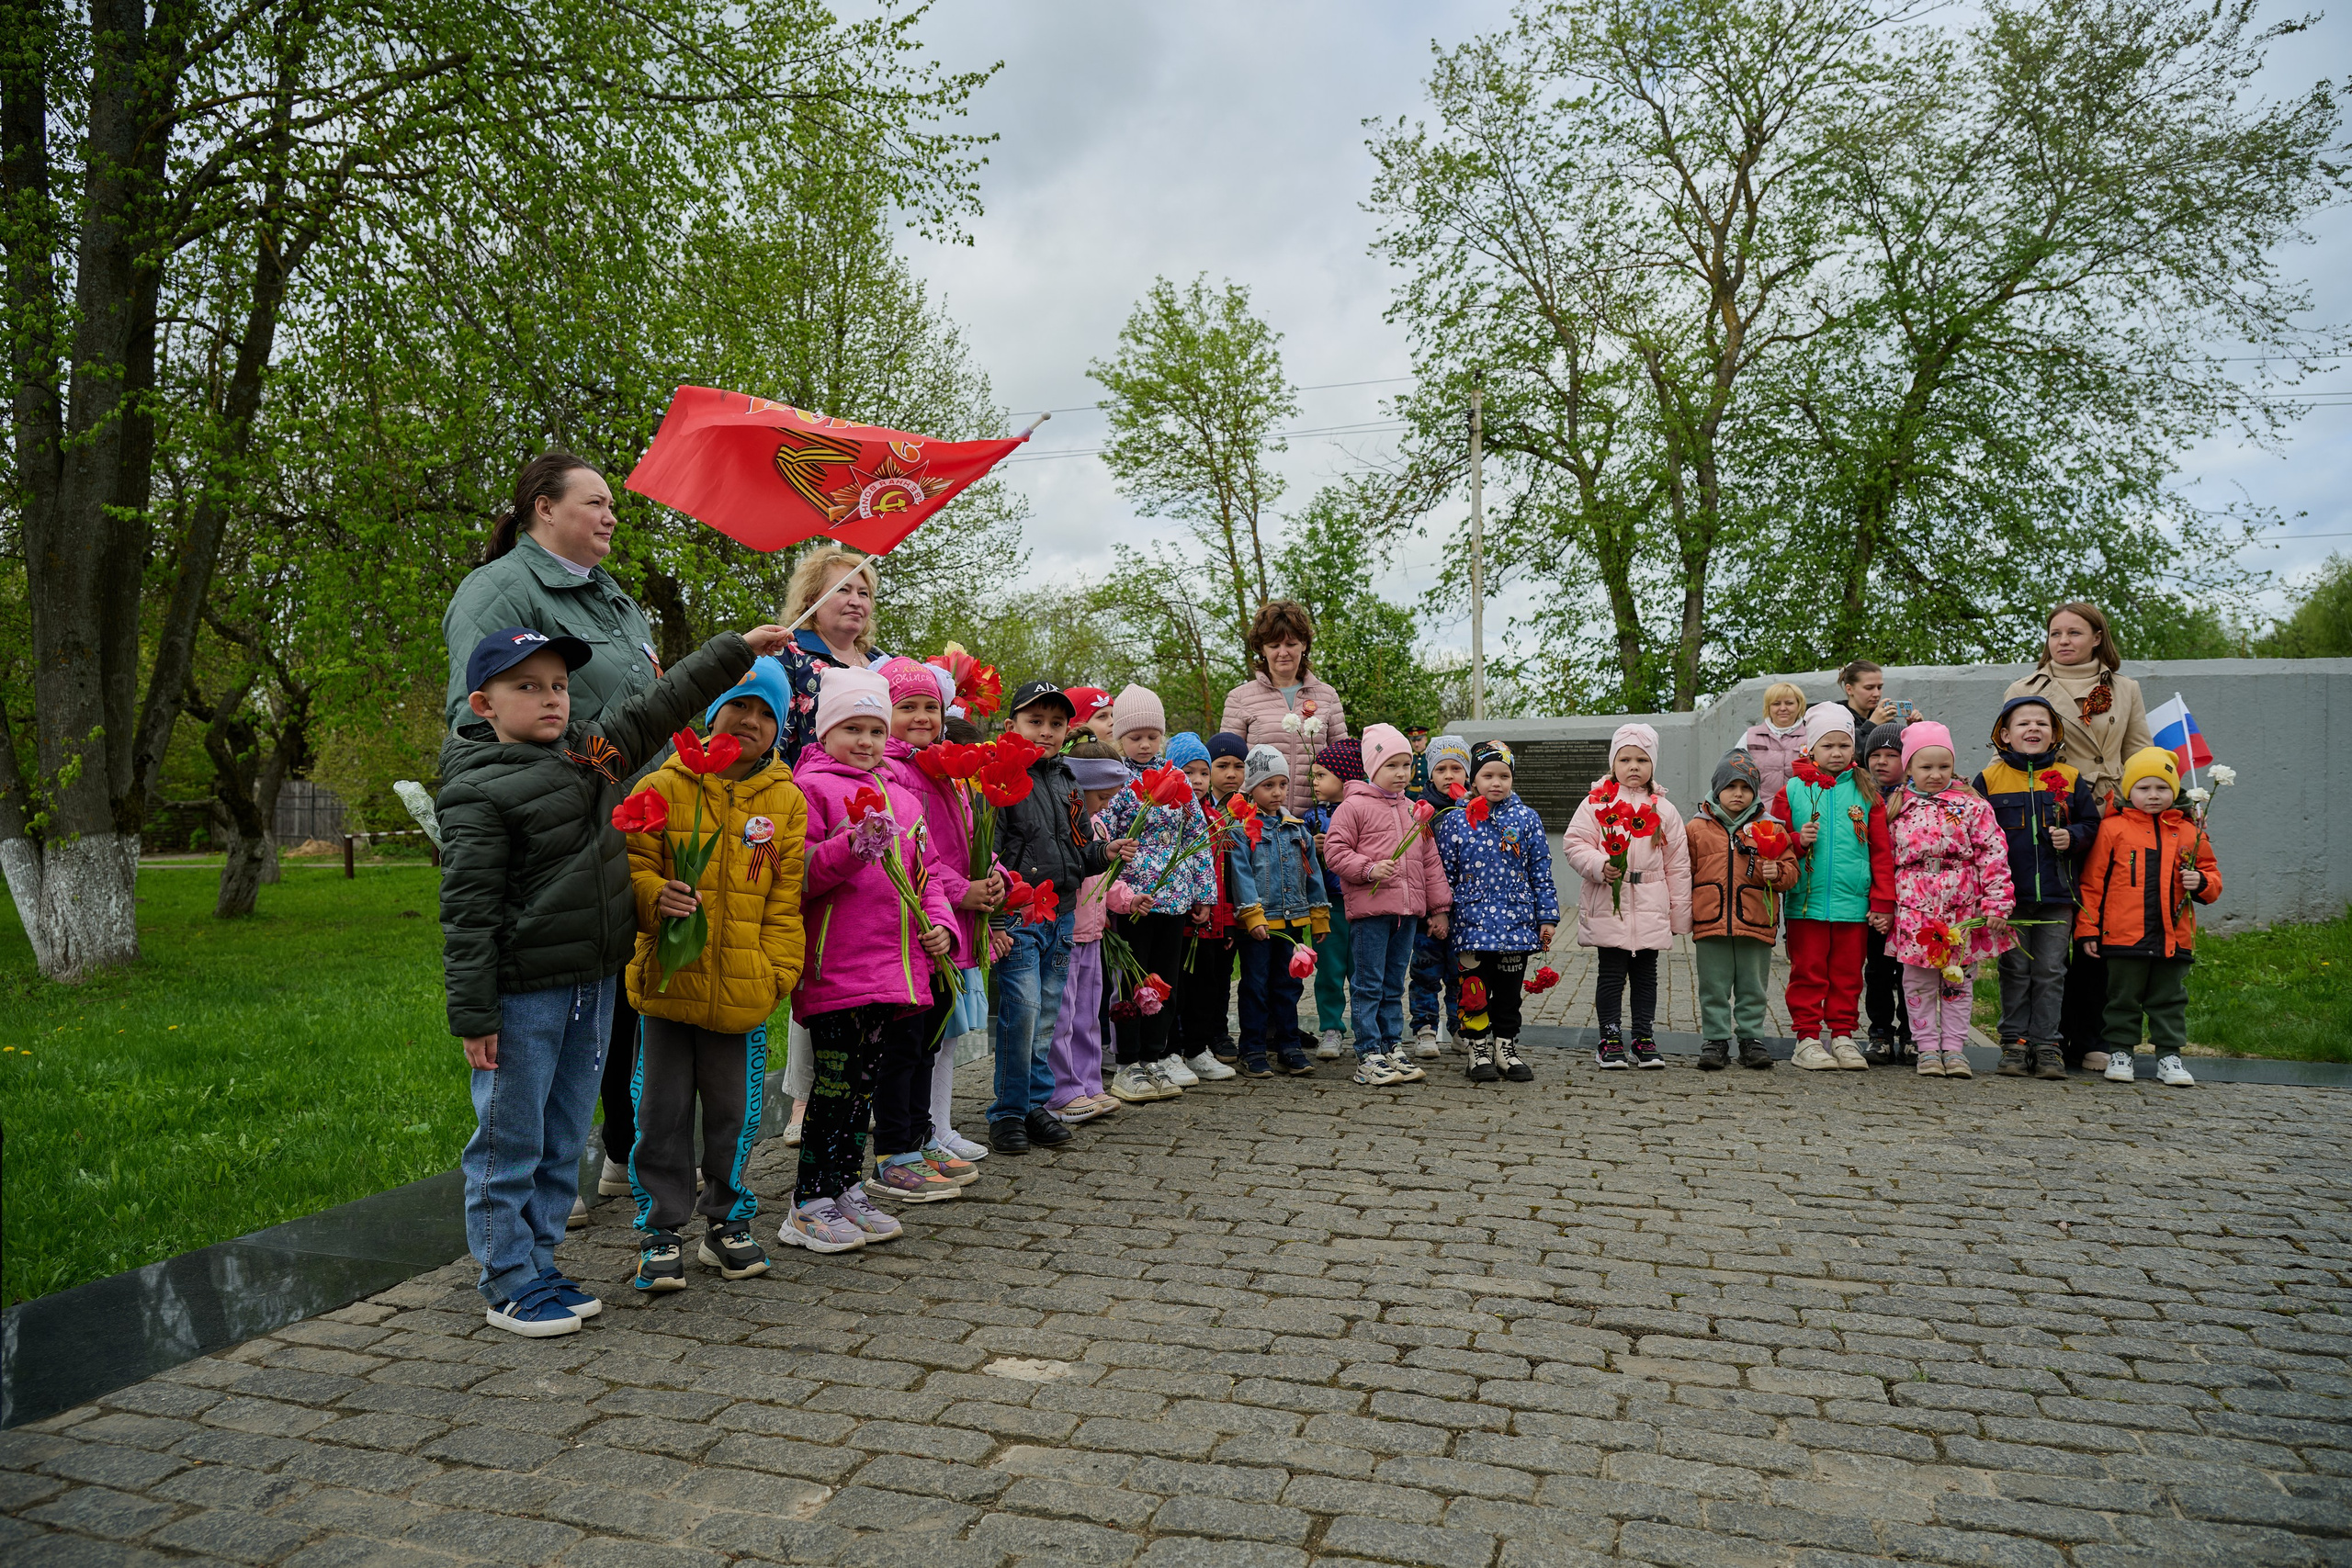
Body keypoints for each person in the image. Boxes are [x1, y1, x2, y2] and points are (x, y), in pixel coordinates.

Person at [439, 619, 783, 1336]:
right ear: (484, 705)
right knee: (511, 1138)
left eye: (559, 685)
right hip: (523, 995)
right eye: (528, 687)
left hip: (592, 984)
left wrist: (738, 650)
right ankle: (506, 1278)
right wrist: (474, 1015)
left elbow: (660, 704)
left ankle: (539, 1261)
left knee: (565, 1133)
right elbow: (467, 912)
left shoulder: (589, 752)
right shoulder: (476, 789)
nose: (551, 698)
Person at [440, 456, 664, 1227]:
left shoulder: (613, 597)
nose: (610, 516)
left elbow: (644, 707)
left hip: (630, 824)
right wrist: (559, 793)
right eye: (594, 502)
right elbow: (477, 723)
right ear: (543, 507)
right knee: (544, 1029)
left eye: (613, 505)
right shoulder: (498, 589)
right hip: (557, 836)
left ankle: (621, 1150)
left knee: (617, 1003)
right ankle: (531, 1197)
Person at [619, 659, 807, 1292]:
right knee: (661, 1112)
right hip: (669, 985)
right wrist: (654, 896)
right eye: (739, 705)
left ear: (779, 728)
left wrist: (777, 973)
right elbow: (633, 868)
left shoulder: (785, 801)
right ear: (711, 712)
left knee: (734, 1114)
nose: (750, 721)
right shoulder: (665, 785)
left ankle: (726, 1219)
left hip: (742, 992)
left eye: (765, 713)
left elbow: (784, 900)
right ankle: (661, 1226)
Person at [784, 667, 959, 1254]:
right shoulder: (810, 789)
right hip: (837, 967)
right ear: (825, 732)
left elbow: (928, 874)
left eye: (875, 730)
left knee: (861, 1089)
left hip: (892, 969)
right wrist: (850, 848)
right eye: (851, 728)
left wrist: (940, 925)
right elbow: (801, 874)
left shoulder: (905, 799)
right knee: (833, 1086)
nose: (865, 741)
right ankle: (807, 1201)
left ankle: (845, 1187)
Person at [771, 547, 895, 1155]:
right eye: (841, 588)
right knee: (816, 954)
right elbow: (781, 740)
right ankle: (804, 1098)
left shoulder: (883, 665)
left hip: (878, 816)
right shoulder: (791, 658)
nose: (854, 600)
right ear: (811, 599)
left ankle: (857, 1093)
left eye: (863, 591)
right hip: (812, 810)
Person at [2005, 601, 2153, 1070]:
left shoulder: (2124, 689)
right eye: (2055, 633)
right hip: (2046, 819)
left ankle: (2088, 1035)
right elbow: (2004, 752)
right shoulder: (2025, 688)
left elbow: (2140, 754)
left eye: (2074, 632)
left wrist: (2154, 800)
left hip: (2106, 815)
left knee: (2097, 924)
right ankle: (2035, 1036)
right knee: (2045, 927)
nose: (2063, 641)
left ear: (2097, 637)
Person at [875, 659, 989, 1196]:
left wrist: (993, 875)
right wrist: (962, 890)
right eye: (908, 707)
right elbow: (918, 853)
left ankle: (920, 1136)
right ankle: (896, 1148)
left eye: (930, 707)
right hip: (915, 929)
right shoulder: (892, 771)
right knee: (906, 1043)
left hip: (946, 924)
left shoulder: (941, 768)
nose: (922, 716)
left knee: (930, 1039)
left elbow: (961, 840)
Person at [984, 680, 1106, 1152]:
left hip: (1062, 913)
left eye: (1056, 723)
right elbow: (987, 854)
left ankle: (1036, 1103)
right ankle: (1007, 1112)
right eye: (1035, 721)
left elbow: (1080, 851)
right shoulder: (999, 776)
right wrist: (996, 919)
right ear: (1010, 725)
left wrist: (1105, 852)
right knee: (1022, 1013)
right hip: (1018, 916)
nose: (1046, 731)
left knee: (1047, 1017)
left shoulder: (1066, 779)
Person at [2075, 748, 2218, 1088]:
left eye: (2162, 787)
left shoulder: (2189, 832)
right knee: (2121, 998)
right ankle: (2120, 1051)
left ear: (2175, 790)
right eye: (2143, 788)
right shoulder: (2113, 829)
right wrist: (2088, 929)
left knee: (2169, 998)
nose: (2153, 795)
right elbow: (2092, 883)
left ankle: (2169, 1055)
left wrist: (2201, 882)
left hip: (2173, 936)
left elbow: (2212, 877)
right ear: (2129, 791)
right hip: (2123, 936)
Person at [1974, 695, 2099, 1079]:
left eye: (2042, 723)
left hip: (2058, 896)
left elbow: (2091, 826)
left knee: (2051, 970)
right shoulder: (1989, 780)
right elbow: (1976, 834)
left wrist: (2073, 836)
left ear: (2054, 733)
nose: (2033, 729)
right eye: (2023, 723)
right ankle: (2014, 1042)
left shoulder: (2071, 778)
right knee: (2014, 968)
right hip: (2010, 898)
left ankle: (2047, 1044)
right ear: (2005, 735)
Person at [1102, 685, 1216, 1102]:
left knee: (1164, 981)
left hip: (1176, 895)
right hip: (1132, 899)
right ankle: (1127, 1061)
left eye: (1153, 736)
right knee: (1133, 981)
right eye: (1135, 737)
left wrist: (1204, 893)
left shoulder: (1177, 778)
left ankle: (1155, 1055)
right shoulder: (1117, 780)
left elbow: (1197, 837)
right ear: (1121, 738)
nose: (1145, 744)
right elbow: (1104, 833)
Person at [1322, 724, 1453, 1087]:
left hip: (1406, 913)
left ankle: (1391, 1045)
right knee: (1368, 984)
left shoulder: (1415, 810)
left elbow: (1430, 863)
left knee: (1394, 984)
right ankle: (1368, 1053)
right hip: (1371, 912)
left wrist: (1439, 908)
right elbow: (1335, 851)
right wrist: (1368, 869)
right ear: (1371, 767)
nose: (1401, 773)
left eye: (1406, 765)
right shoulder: (1353, 806)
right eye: (1391, 765)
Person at [1884, 723, 2013, 1079]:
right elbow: (1884, 859)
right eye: (1925, 767)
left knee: (1958, 980)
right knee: (1917, 982)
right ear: (1909, 767)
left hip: (1961, 908)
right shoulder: (1898, 807)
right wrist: (1883, 905)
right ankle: (1926, 1047)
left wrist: (1997, 903)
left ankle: (1954, 1048)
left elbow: (1993, 853)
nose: (1936, 774)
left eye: (1944, 766)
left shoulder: (1972, 805)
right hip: (1915, 910)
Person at [1770, 705, 1894, 1072]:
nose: (1837, 753)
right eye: (1828, 746)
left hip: (1853, 903)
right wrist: (1797, 840)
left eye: (1844, 745)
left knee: (1848, 974)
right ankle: (1807, 1039)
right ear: (1811, 748)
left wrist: (1882, 900)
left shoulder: (1867, 792)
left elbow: (1881, 851)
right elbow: (1775, 844)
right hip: (1806, 902)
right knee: (1807, 972)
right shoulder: (1792, 790)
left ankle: (1842, 1035)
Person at [1564, 723, 1690, 1070]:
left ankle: (1643, 1038)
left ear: (1653, 764)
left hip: (1651, 904)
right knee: (1611, 975)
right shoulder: (1596, 803)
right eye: (1625, 760)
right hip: (1610, 902)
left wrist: (1679, 914)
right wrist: (1599, 865)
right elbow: (1575, 844)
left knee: (1646, 977)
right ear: (1613, 763)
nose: (1634, 766)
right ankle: (1609, 1038)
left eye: (1642, 760)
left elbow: (1678, 865)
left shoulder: (1665, 810)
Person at [1433, 740, 1559, 1085]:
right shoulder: (1456, 820)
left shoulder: (1527, 818)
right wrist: (1441, 912)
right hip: (1471, 925)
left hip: (1516, 925)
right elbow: (1443, 874)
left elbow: (1540, 870)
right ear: (1473, 779)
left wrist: (1547, 918)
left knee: (1508, 993)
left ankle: (1505, 1047)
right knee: (1473, 991)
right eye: (1487, 775)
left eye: (1504, 776)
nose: (1496, 782)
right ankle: (1477, 1049)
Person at [1685, 750, 1787, 1072]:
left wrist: (1777, 873)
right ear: (1717, 789)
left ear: (1755, 792)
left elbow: (1791, 872)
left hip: (1755, 921)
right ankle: (1715, 1040)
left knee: (1752, 987)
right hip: (1710, 921)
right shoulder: (1696, 829)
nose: (1738, 794)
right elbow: (1684, 872)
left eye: (1746, 787)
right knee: (1713, 987)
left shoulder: (1771, 827)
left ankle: (1751, 1039)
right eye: (1731, 786)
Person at [1046, 743, 1132, 1121]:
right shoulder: (1064, 824)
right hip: (1067, 932)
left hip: (1093, 935)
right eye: (1101, 796)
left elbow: (1106, 879)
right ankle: (1062, 1092)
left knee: (1087, 1016)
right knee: (1062, 1018)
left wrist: (1128, 900)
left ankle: (1089, 1084)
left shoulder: (1097, 824)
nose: (1105, 805)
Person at [1234, 745, 1328, 1077]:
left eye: (1282, 784)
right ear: (1251, 788)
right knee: (1255, 986)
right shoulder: (1242, 828)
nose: (1277, 792)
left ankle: (1289, 1045)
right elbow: (1241, 874)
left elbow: (1313, 873)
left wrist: (1319, 916)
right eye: (1268, 785)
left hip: (1292, 922)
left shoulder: (1297, 829)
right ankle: (1252, 1048)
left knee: (1288, 986)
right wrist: (1252, 915)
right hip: (1259, 924)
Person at [1219, 599, 1349, 814]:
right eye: (1274, 646)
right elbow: (1227, 766)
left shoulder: (1328, 696)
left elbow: (1344, 765)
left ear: (1304, 644)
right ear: (1262, 649)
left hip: (1315, 821)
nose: (1283, 652)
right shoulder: (1239, 698)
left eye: (1291, 644)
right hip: (1257, 821)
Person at [1176, 733, 1256, 1078]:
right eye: (1188, 773)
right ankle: (1176, 1047)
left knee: (1209, 983)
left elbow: (1223, 876)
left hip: (1212, 918)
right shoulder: (1172, 815)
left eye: (1203, 773)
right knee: (1180, 984)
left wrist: (1225, 921)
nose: (1197, 780)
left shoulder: (1217, 819)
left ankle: (1201, 1044)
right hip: (1179, 916)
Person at [1408, 736, 1472, 1056]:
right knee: (1425, 972)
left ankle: (1461, 1028)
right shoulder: (1421, 812)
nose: (1449, 776)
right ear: (1430, 774)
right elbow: (1418, 864)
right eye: (1441, 769)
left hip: (1467, 912)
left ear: (1467, 774)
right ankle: (1425, 1029)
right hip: (1428, 913)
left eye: (1456, 769)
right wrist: (1434, 909)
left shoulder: (1478, 809)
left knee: (1462, 974)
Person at [1860, 723, 1915, 1063]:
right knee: (1878, 969)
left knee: (1911, 970)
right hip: (1876, 901)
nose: (1881, 761)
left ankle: (1912, 1032)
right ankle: (1880, 1031)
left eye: (1891, 755)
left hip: (1914, 900)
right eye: (1875, 755)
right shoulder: (1862, 796)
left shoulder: (1917, 797)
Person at [1305, 740, 1362, 1058]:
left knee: (1363, 971)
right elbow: (1300, 860)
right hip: (1327, 905)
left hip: (1362, 903)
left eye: (1321, 775)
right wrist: (1310, 847)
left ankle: (1367, 1029)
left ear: (1344, 777)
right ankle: (1330, 1027)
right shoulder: (1311, 817)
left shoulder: (1365, 810)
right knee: (1329, 968)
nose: (1314, 782)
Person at [1742, 682, 1812, 804]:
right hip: (1759, 811)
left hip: (1801, 810)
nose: (1783, 708)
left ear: (1799, 705)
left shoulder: (1812, 736)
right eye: (1776, 704)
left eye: (1789, 703)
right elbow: (1735, 774)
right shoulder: (1749, 736)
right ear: (1768, 707)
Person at [1838, 660, 1900, 733]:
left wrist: (1910, 729)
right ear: (1849, 689)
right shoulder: (1836, 720)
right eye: (1869, 688)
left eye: (1879, 687)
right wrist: (1871, 725)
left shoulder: (1885, 719)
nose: (1876, 694)